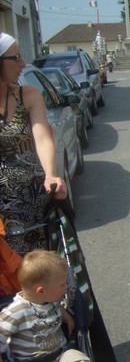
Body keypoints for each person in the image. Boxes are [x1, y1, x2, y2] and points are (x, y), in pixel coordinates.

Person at [0, 249, 93, 362]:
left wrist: (68, 317)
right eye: (62, 284)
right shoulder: (16, 311)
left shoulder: (49, 299)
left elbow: (56, 306)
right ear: (41, 290)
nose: (66, 287)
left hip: (59, 357)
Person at [0, 33, 67, 255]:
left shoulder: (27, 94)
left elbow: (41, 136)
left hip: (33, 200)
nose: (22, 63)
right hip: (2, 212)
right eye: (16, 57)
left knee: (38, 273)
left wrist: (51, 174)